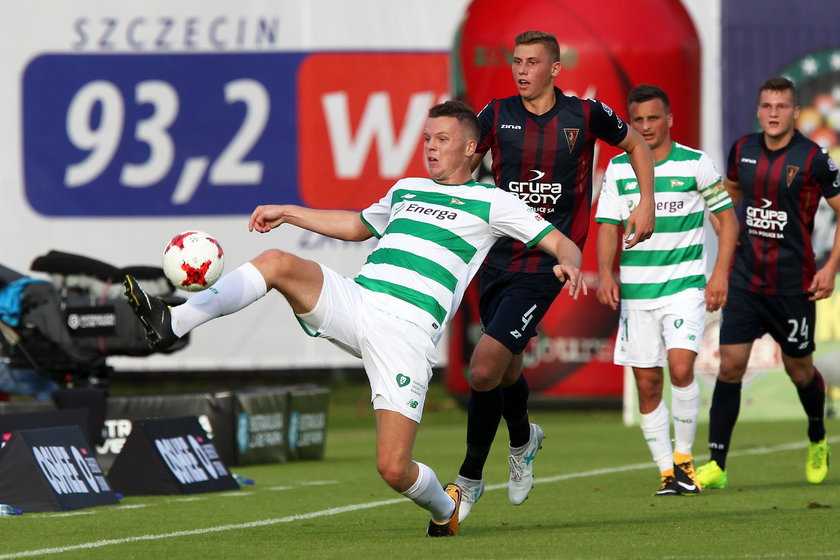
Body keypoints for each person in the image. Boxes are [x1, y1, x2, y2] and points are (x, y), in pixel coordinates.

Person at [122, 100, 586, 536]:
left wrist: (571, 261)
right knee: (279, 262)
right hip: (359, 301)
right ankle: (174, 322)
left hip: (406, 333)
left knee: (393, 468)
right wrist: (289, 212)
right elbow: (354, 226)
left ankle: (445, 511)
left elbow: (560, 241)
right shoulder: (407, 189)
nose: (430, 147)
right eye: (426, 138)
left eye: (442, 139)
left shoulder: (493, 202)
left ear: (469, 147)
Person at [454, 30, 655, 520]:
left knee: (482, 369)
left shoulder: (584, 114)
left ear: (555, 69)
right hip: (495, 259)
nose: (521, 71)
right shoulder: (495, 114)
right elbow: (461, 175)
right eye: (516, 62)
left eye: (531, 62)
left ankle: (469, 478)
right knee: (508, 366)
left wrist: (645, 202)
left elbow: (637, 146)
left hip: (548, 263)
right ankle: (524, 440)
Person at [696, 77, 840, 489]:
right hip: (746, 281)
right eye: (766, 106)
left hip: (794, 287)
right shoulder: (742, 150)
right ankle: (717, 465)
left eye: (781, 106)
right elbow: (727, 202)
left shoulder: (813, 158)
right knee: (730, 367)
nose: (773, 113)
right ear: (758, 111)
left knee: (800, 371)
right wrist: (723, 259)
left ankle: (817, 436)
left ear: (795, 113)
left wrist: (829, 267)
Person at [595, 84, 739, 496]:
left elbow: (727, 221)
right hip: (638, 296)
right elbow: (607, 225)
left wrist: (720, 274)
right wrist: (605, 273)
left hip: (684, 289)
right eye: (637, 120)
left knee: (680, 368)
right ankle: (665, 471)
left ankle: (684, 461)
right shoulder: (619, 170)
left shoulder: (696, 163)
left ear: (670, 119)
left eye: (653, 118)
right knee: (647, 384)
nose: (645, 126)